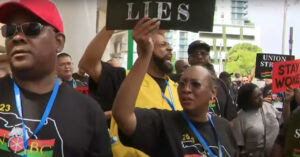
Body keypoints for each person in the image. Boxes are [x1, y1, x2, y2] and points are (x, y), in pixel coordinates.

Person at [0, 0, 112, 156]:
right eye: (10, 30)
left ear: (58, 42)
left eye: (32, 28)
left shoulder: (89, 112)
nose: (17, 37)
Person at [112, 19, 238, 156]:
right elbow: (122, 115)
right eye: (182, 84)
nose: (186, 89)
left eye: (195, 84)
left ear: (213, 92)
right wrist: (144, 56)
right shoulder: (164, 123)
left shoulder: (224, 127)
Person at [79, 17, 182, 157]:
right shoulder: (123, 79)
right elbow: (89, 64)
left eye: (169, 44)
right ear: (145, 47)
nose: (170, 48)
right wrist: (113, 21)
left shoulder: (179, 89)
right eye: (163, 45)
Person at [187, 40, 237, 120]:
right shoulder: (182, 85)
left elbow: (231, 116)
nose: (200, 57)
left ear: (209, 58)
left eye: (203, 53)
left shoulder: (220, 84)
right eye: (196, 54)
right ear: (189, 59)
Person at [232, 83, 280, 156]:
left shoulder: (268, 106)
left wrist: (287, 102)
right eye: (256, 97)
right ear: (247, 100)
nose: (261, 98)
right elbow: (238, 148)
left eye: (260, 94)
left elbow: (284, 120)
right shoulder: (239, 119)